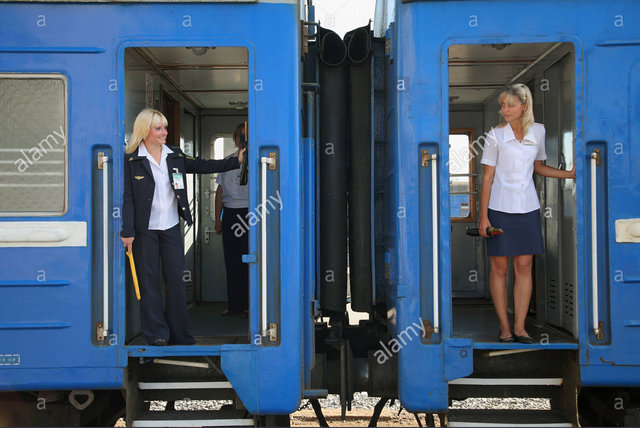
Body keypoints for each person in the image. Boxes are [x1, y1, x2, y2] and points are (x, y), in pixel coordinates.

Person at [120, 108, 244, 345]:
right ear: (145, 131)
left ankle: (180, 334)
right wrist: (128, 232)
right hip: (144, 230)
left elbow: (203, 165)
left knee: (176, 279)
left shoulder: (174, 155)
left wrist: (235, 161)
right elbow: (128, 197)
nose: (164, 132)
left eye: (165, 127)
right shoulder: (132, 159)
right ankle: (157, 334)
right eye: (159, 128)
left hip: (170, 227)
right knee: (148, 281)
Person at [479, 84, 576, 344]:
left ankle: (520, 327)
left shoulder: (539, 131)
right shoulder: (494, 136)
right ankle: (504, 327)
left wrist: (567, 174)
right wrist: (483, 217)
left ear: (524, 106)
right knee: (499, 269)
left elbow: (539, 168)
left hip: (528, 210)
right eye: (502, 105)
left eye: (509, 105)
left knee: (524, 267)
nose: (504, 110)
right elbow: (487, 178)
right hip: (498, 210)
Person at [214, 123, 249, 317]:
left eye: (246, 137)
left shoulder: (258, 160)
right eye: (240, 136)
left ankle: (250, 305)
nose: (243, 140)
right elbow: (219, 192)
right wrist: (218, 218)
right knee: (232, 261)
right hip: (230, 214)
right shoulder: (227, 162)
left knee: (251, 261)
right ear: (236, 139)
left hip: (252, 214)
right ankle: (234, 304)